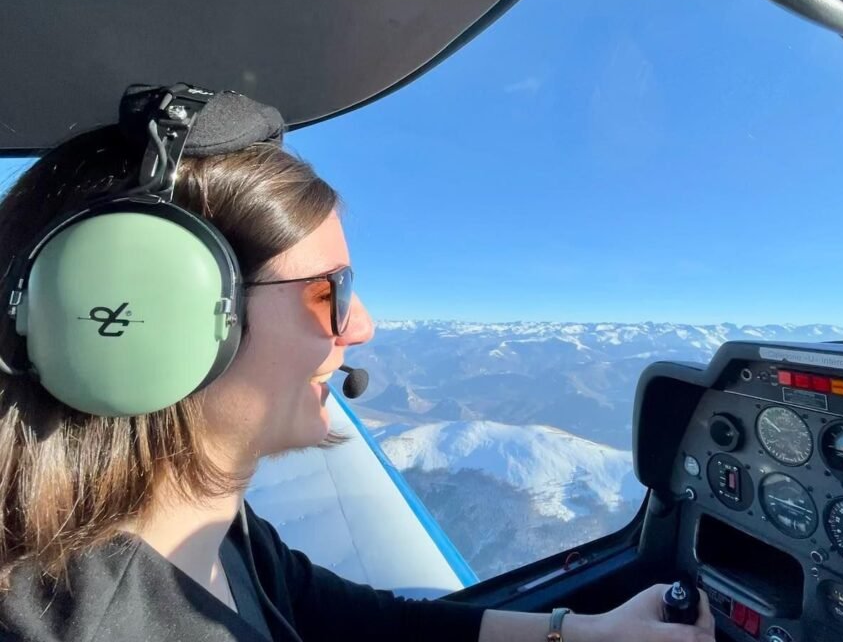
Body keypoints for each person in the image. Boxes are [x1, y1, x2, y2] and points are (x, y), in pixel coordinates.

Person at [0, 89, 715, 642]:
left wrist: (579, 633)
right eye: (329, 291)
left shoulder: (205, 525)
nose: (363, 325)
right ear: (156, 320)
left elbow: (346, 621)